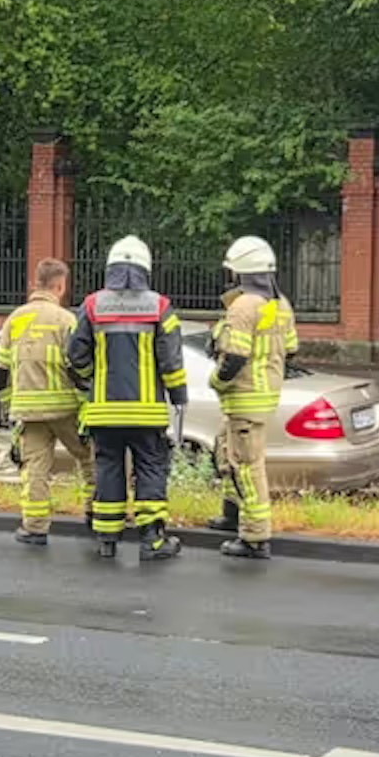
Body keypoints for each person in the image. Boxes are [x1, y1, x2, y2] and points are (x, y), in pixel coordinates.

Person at [67, 235, 187, 561]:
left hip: (104, 410)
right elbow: (171, 361)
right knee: (150, 468)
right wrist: (179, 395)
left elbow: (74, 354)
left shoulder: (92, 305)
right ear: (145, 269)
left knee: (109, 468)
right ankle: (152, 541)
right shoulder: (160, 307)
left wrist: (94, 376)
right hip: (146, 412)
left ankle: (107, 540)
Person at [207, 235, 299, 560]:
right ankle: (232, 515)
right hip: (263, 396)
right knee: (225, 451)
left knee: (247, 465)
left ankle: (255, 538)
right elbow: (291, 349)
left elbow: (234, 357)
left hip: (244, 398)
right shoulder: (279, 304)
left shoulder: (244, 306)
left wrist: (216, 381)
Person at [0, 258, 94, 546]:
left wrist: (8, 403)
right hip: (65, 407)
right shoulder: (66, 320)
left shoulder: (15, 318)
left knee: (36, 467)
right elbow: (77, 364)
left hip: (28, 410)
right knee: (89, 459)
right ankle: (96, 514)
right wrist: (85, 399)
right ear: (60, 286)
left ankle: (35, 527)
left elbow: (1, 368)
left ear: (35, 282)